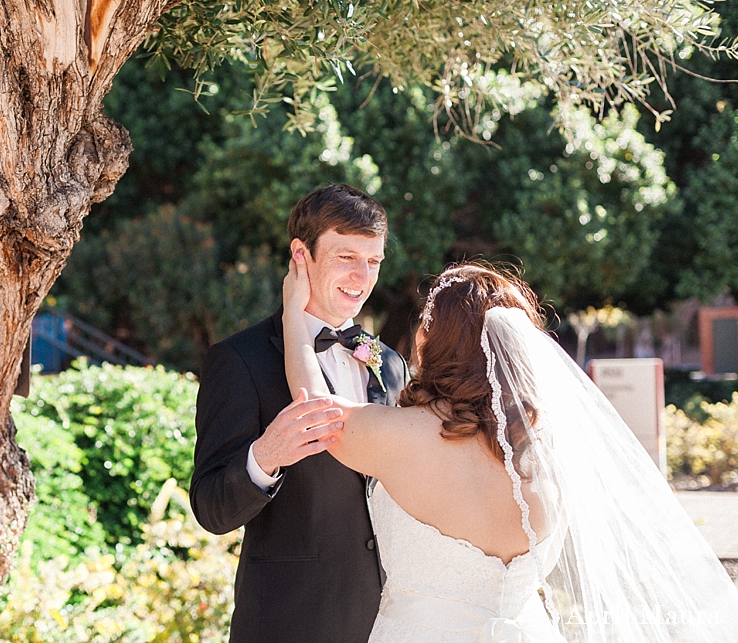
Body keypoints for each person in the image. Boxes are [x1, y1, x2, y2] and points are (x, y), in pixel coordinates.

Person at [282, 259, 738, 642]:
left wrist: (292, 313)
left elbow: (312, 408)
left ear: (436, 341)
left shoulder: (399, 435)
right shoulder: (550, 451)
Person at [189, 184, 408, 643]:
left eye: (373, 261)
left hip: (391, 620)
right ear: (300, 254)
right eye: (346, 257)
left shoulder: (389, 362)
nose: (362, 276)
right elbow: (210, 508)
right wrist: (264, 458)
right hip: (291, 622)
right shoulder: (240, 360)